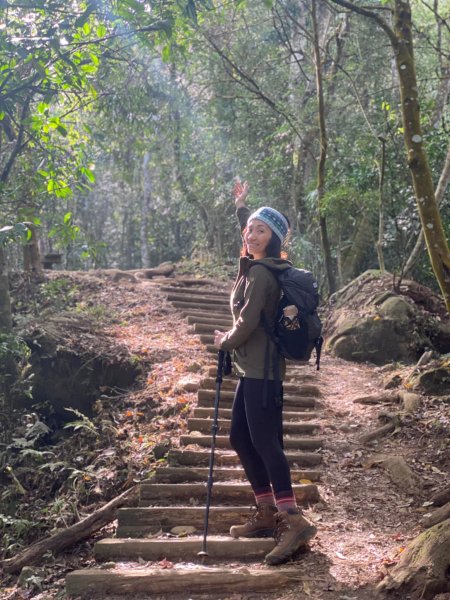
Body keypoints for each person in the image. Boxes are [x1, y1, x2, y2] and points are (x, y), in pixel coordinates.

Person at [214, 180, 317, 566]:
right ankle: (267, 511)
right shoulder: (258, 263)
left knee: (265, 442)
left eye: (260, 230)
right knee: (240, 438)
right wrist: (243, 207)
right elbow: (252, 230)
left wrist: (224, 340)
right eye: (249, 229)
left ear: (273, 239)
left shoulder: (261, 274)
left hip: (263, 371)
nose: (251, 234)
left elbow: (248, 321)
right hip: (251, 369)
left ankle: (293, 519)